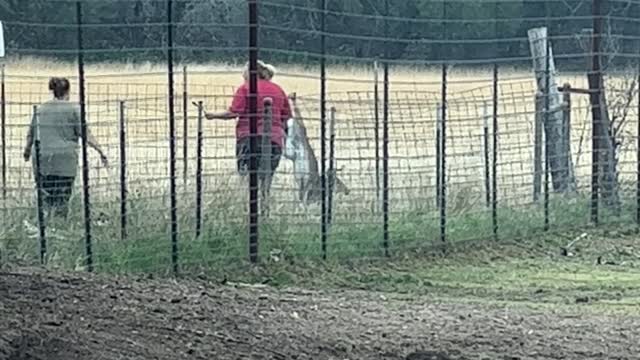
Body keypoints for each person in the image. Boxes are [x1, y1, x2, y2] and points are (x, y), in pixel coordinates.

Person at [23, 77, 108, 217]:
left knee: (45, 196)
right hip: (65, 161)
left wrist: (26, 153)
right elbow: (86, 134)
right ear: (68, 91)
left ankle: (45, 225)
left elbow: (31, 135)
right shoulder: (74, 109)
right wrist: (100, 151)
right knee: (62, 198)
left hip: (41, 159)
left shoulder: (40, 109)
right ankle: (59, 224)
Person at [206, 61, 291, 178]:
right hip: (274, 139)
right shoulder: (278, 89)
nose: (242, 75)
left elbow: (233, 112)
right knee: (266, 177)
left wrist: (213, 115)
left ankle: (247, 196)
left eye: (244, 71)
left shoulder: (245, 88)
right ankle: (265, 196)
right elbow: (286, 116)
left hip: (249, 138)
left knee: (247, 178)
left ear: (250, 72)